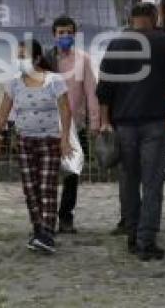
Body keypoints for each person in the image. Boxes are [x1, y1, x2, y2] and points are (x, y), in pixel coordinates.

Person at [96, 2, 165, 261]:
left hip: (124, 124)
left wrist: (104, 120)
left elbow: (104, 88)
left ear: (131, 19)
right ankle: (146, 240)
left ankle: (132, 233)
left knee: (129, 181)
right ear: (154, 17)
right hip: (155, 123)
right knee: (152, 183)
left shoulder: (115, 45)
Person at [0, 40, 73, 254]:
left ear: (36, 58)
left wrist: (64, 139)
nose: (19, 60)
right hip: (25, 141)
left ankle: (47, 233)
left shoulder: (54, 80)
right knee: (30, 188)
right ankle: (38, 229)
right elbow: (3, 113)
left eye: (23, 56)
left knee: (47, 187)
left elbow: (65, 110)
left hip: (49, 140)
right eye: (17, 56)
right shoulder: (14, 83)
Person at [44, 16, 100, 234]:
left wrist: (94, 121)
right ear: (54, 34)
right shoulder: (46, 60)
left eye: (69, 32)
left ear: (74, 34)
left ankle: (66, 216)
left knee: (72, 172)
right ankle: (46, 217)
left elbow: (91, 91)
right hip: (48, 124)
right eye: (61, 33)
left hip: (75, 125)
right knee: (47, 173)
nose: (65, 36)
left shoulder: (83, 60)